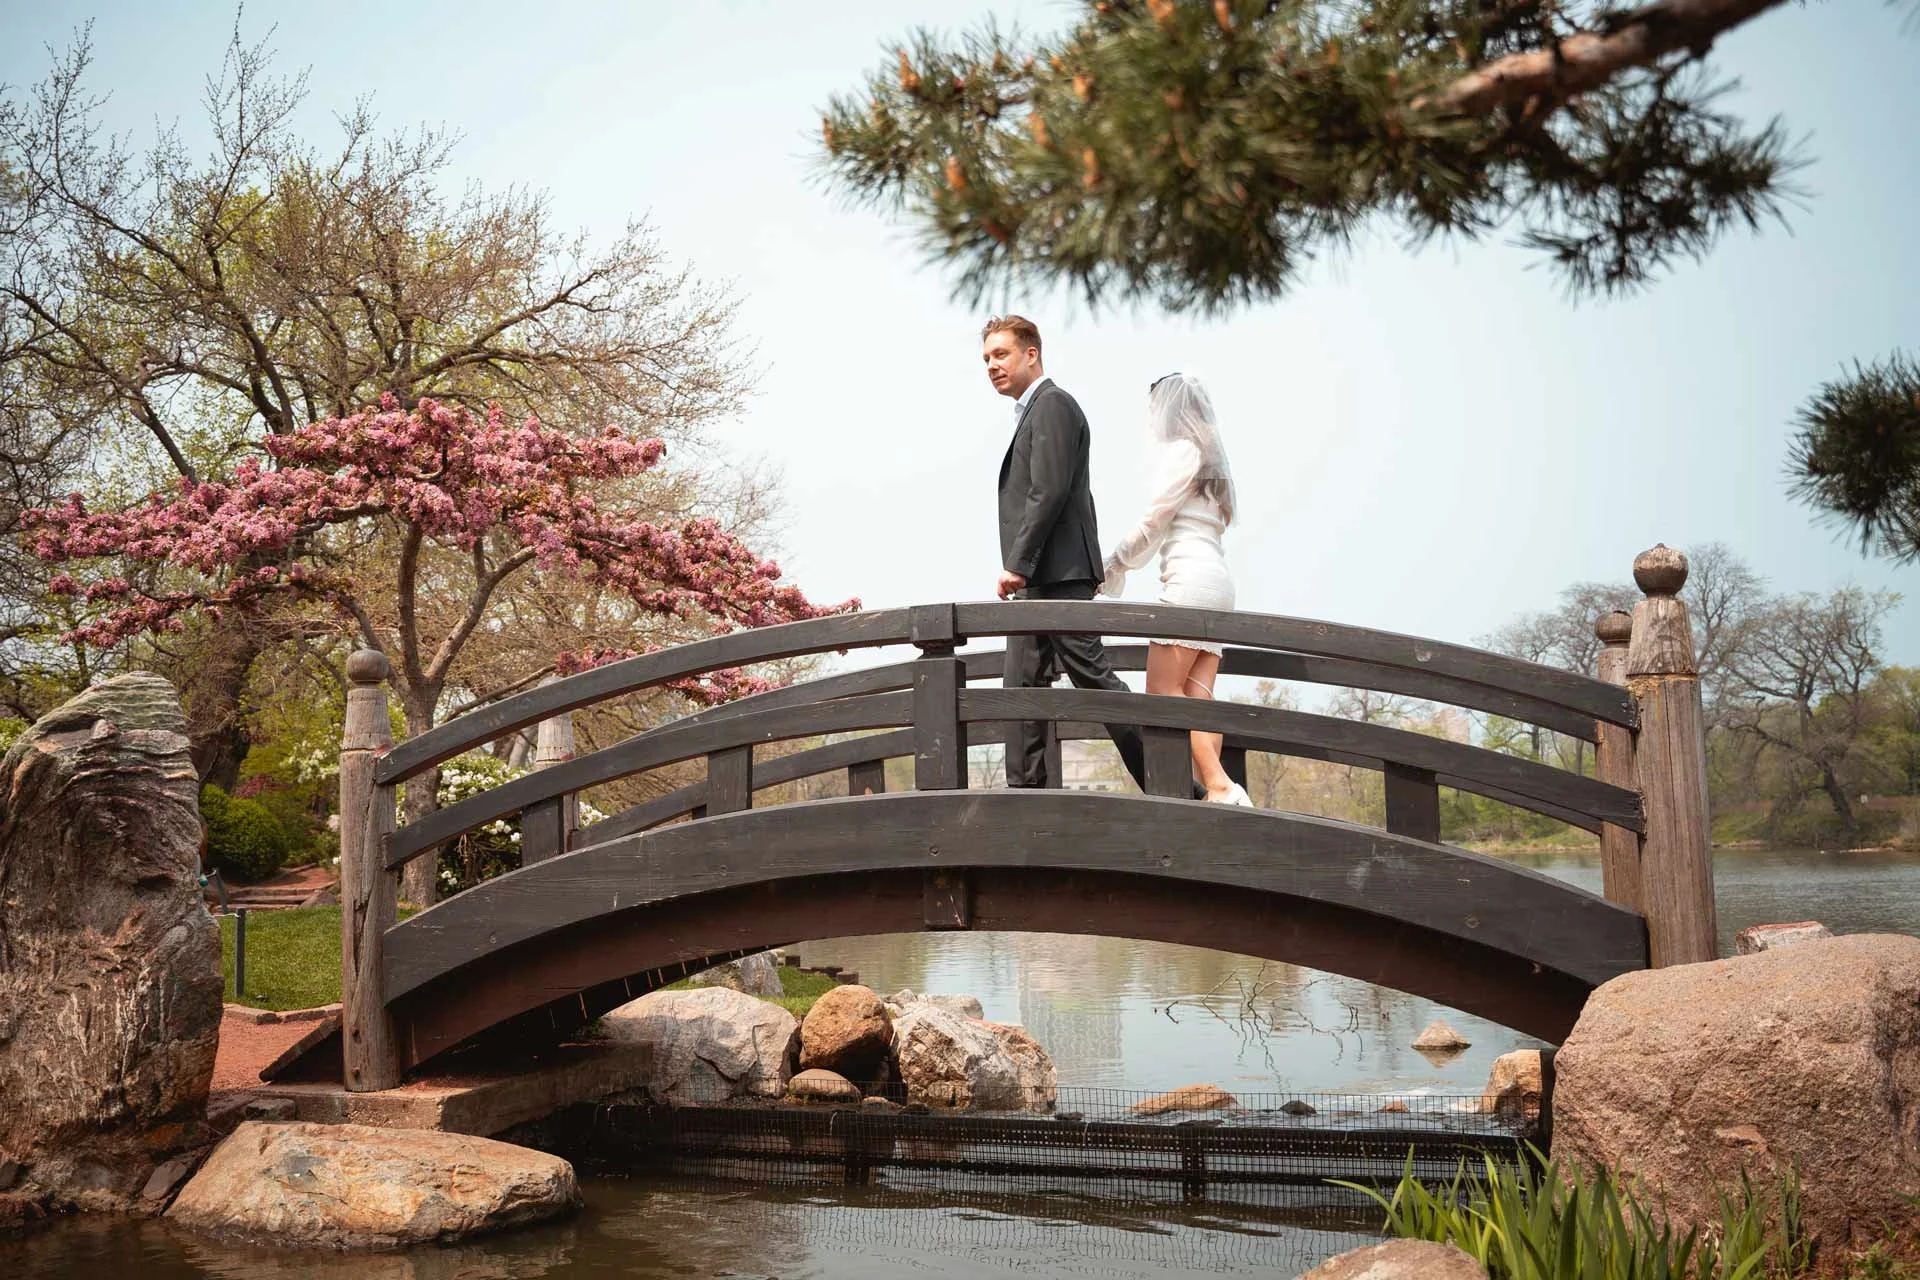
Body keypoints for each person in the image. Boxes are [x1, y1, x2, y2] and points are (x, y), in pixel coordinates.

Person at [983, 314, 1158, 794]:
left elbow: (1052, 490)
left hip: (1056, 574)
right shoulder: (1034, 410)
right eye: (987, 358)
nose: (992, 365)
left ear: (1031, 353)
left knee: (1094, 680)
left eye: (1001, 354)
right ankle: (1026, 799)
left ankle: (1172, 782)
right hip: (1040, 577)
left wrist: (1017, 564)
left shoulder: (1053, 404)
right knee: (1021, 687)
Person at [1100, 372, 1252, 805]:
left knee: (1162, 690)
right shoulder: (1212, 461)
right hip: (1219, 584)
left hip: (1189, 582)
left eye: (1156, 408)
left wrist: (1112, 564)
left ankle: (1220, 786)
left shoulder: (1182, 452)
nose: (1153, 418)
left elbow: (1155, 521)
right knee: (1199, 698)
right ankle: (1215, 793)